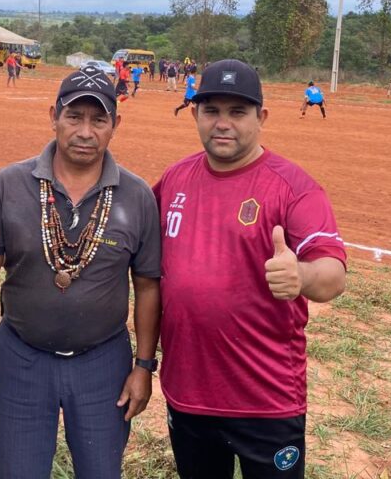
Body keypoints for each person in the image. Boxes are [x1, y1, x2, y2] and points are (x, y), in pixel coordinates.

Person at [0, 64, 162, 478]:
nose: (85, 131)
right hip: (22, 356)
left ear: (115, 125)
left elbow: (146, 286)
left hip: (103, 363)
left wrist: (143, 367)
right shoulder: (10, 184)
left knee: (100, 471)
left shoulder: (137, 195)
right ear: (53, 115)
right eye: (74, 116)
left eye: (98, 119)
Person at [154, 59, 346, 478]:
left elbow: (332, 275)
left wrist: (303, 276)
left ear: (261, 118)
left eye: (237, 112)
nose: (223, 123)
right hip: (188, 393)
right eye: (212, 111)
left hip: (266, 400)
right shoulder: (173, 181)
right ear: (195, 114)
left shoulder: (294, 188)